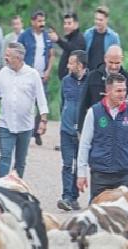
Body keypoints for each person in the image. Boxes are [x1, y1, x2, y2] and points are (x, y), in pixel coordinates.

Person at [76, 73, 128, 201]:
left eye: (124, 90)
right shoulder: (94, 113)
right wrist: (81, 174)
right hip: (100, 175)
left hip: (124, 175)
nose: (122, 94)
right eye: (118, 90)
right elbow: (85, 145)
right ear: (108, 91)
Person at [0, 42, 48, 178]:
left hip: (25, 126)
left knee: (20, 161)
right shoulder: (3, 72)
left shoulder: (32, 74)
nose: (5, 58)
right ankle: (1, 189)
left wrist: (43, 121)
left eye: (8, 56)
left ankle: (16, 191)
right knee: (5, 157)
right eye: (5, 55)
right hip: (6, 124)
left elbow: (41, 99)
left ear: (19, 58)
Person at [56, 50, 89, 212]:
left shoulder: (91, 81)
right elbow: (63, 103)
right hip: (66, 130)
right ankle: (67, 197)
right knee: (68, 164)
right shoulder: (65, 81)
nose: (68, 66)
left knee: (79, 165)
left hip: (83, 133)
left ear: (80, 65)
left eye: (71, 63)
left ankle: (74, 197)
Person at [77, 45, 128, 131]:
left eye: (117, 63)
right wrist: (81, 129)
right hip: (96, 128)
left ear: (122, 60)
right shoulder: (92, 77)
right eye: (111, 62)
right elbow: (83, 104)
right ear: (105, 58)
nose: (114, 66)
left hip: (120, 129)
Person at [18, 10, 54, 146]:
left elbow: (51, 55)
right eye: (39, 21)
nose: (42, 24)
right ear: (32, 22)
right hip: (27, 75)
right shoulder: (24, 36)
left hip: (42, 76)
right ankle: (26, 131)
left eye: (43, 21)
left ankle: (37, 132)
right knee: (27, 104)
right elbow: (19, 54)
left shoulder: (46, 36)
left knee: (42, 103)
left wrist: (48, 71)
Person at [49, 12, 86, 80]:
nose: (66, 26)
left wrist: (58, 40)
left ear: (76, 24)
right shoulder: (70, 39)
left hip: (73, 81)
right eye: (65, 23)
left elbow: (73, 50)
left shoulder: (79, 38)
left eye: (69, 23)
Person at [83, 5, 121, 71]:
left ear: (106, 20)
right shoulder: (88, 34)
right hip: (89, 73)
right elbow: (82, 53)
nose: (98, 22)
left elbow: (117, 58)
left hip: (105, 74)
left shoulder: (113, 37)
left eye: (100, 20)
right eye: (96, 19)